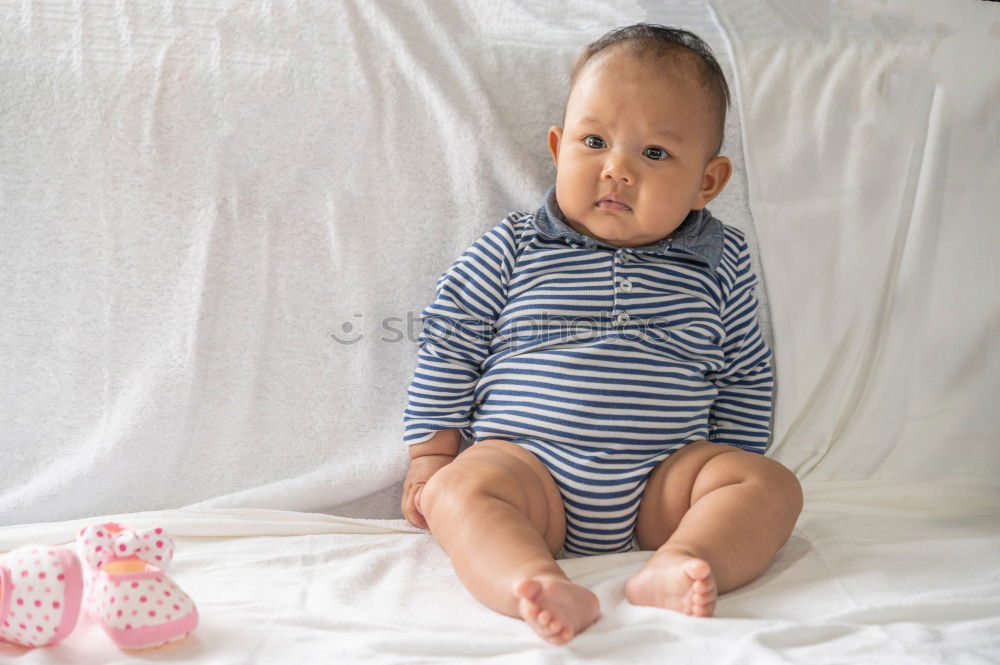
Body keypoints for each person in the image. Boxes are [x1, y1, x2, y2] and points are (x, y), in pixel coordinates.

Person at [400, 23, 803, 645]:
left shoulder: (722, 264)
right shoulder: (513, 247)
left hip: (663, 483)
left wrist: (731, 465)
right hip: (529, 471)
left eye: (656, 154)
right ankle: (531, 579)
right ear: (559, 148)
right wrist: (430, 455)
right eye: (595, 141)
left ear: (708, 183)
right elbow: (450, 343)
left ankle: (683, 560)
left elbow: (745, 369)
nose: (617, 170)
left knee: (770, 486)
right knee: (459, 490)